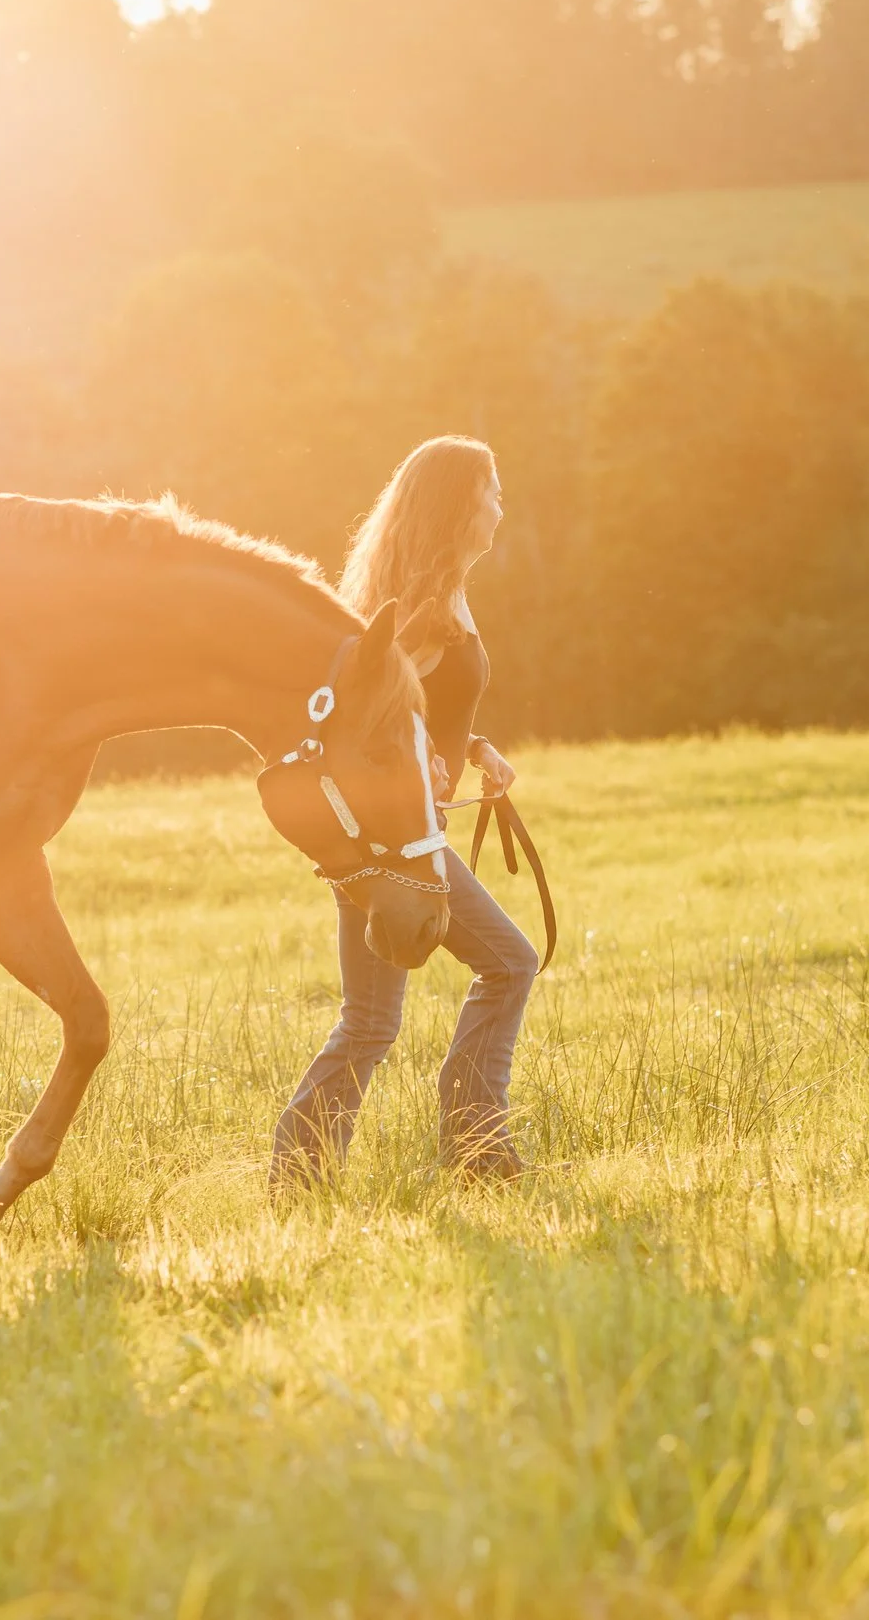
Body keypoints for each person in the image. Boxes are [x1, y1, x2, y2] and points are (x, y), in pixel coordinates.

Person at [271, 436, 538, 1186]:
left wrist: (475, 748)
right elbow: (367, 712)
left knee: (374, 1021)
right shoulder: (415, 608)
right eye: (489, 489)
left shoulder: (446, 591)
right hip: (387, 838)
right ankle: (475, 1143)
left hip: (407, 828)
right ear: (457, 504)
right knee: (506, 963)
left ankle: (303, 1172)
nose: (499, 504)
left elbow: (421, 709)